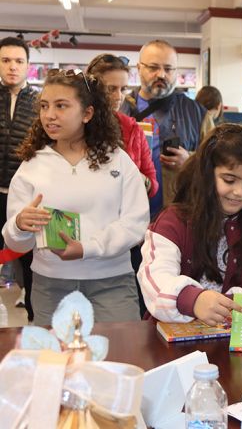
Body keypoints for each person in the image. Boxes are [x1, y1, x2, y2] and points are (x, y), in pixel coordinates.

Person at [2, 69, 150, 326]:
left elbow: (135, 223)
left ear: (87, 113)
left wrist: (87, 248)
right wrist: (19, 225)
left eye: (61, 106)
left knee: (119, 349)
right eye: (44, 106)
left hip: (112, 283)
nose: (49, 115)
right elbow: (16, 243)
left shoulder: (117, 160)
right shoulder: (32, 165)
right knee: (56, 352)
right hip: (51, 286)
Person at [138, 124, 242, 325]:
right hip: (170, 341)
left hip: (235, 340)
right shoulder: (173, 221)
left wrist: (230, 303)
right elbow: (155, 279)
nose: (239, 192)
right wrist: (193, 300)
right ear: (206, 175)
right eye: (229, 180)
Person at [120, 39, 206, 216]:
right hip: (126, 211)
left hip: (179, 214)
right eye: (153, 67)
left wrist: (190, 161)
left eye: (168, 69)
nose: (161, 75)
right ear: (139, 68)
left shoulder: (196, 113)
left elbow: (219, 159)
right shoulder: (120, 109)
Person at [0, 37, 39, 322]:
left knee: (29, 261)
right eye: (5, 60)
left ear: (27, 65)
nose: (12, 66)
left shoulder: (40, 102)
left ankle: (35, 320)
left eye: (18, 61)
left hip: (24, 197)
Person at [86, 53, 158, 198]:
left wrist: (134, 176)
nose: (119, 96)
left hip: (125, 208)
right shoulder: (74, 125)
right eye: (111, 89)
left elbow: (153, 186)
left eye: (123, 89)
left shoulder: (132, 128)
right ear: (91, 89)